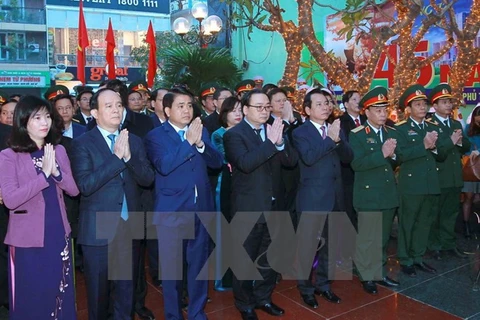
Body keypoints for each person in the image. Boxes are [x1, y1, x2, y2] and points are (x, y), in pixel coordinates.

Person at [70, 88, 154, 320]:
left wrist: (128, 157)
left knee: (126, 293)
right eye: (109, 106)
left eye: (119, 104)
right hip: (99, 229)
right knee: (99, 294)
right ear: (95, 112)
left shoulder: (134, 141)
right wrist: (117, 159)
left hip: (129, 226)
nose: (116, 109)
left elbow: (147, 179)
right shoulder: (82, 144)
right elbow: (85, 185)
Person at [144, 87, 223, 320]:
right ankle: (173, 314)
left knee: (198, 267)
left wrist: (200, 145)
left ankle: (197, 312)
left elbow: (216, 161)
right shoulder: (155, 137)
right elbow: (164, 165)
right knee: (172, 272)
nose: (187, 110)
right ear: (167, 110)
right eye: (180, 106)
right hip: (173, 213)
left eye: (189, 105)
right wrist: (188, 143)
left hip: (202, 210)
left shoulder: (200, 131)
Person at [0, 95, 79, 319]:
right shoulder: (8, 156)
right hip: (27, 239)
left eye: (47, 116)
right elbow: (12, 199)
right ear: (23, 122)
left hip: (57, 232)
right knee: (33, 296)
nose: (45, 122)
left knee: (59, 291)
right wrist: (43, 176)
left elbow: (74, 190)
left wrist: (57, 173)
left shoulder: (58, 151)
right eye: (37, 117)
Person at [224, 89, 298, 320]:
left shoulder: (274, 129)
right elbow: (245, 163)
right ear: (245, 109)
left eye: (267, 107)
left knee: (270, 258)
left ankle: (263, 297)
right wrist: (270, 143)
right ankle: (245, 303)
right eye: (259, 107)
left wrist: (278, 144)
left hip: (275, 206)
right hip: (249, 208)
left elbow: (291, 161)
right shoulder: (234, 135)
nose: (265, 111)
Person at [292, 88, 353, 309]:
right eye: (319, 103)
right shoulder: (301, 133)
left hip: (335, 197)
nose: (326, 106)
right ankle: (306, 289)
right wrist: (331, 139)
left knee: (331, 246)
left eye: (327, 102)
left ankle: (324, 285)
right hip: (312, 199)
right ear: (307, 109)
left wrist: (338, 140)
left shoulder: (335, 128)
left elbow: (348, 158)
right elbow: (308, 158)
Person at [349, 86, 400, 295]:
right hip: (368, 195)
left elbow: (398, 159)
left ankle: (379, 271)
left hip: (388, 194)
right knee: (368, 238)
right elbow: (356, 164)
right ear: (366, 112)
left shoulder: (391, 132)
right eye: (377, 110)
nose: (382, 113)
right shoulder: (358, 135)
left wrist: (394, 156)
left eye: (384, 109)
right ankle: (366, 275)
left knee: (383, 238)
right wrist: (383, 153)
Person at [395, 84, 449, 277]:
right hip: (411, 185)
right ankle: (405, 259)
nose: (423, 108)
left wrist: (434, 148)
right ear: (408, 109)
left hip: (430, 183)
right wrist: (423, 145)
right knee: (407, 223)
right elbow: (399, 155)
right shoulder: (400, 129)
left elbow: (442, 153)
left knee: (424, 223)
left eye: (424, 104)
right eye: (417, 104)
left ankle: (418, 256)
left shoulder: (433, 127)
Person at [427, 83, 470, 259]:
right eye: (443, 102)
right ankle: (435, 245)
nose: (448, 105)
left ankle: (448, 243)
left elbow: (467, 145)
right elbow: (438, 151)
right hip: (439, 177)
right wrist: (452, 141)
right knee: (435, 214)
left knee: (451, 212)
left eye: (449, 102)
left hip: (454, 177)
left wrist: (459, 142)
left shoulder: (455, 123)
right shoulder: (429, 125)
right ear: (435, 106)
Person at [211, 96, 243, 291]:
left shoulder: (249, 132)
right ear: (225, 114)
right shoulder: (218, 134)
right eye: (233, 110)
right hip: (226, 186)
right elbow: (226, 157)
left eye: (241, 109)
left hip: (245, 186)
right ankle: (226, 279)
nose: (238, 114)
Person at [339, 90, 366, 229]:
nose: (358, 103)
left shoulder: (367, 120)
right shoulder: (341, 122)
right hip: (349, 172)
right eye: (354, 99)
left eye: (360, 99)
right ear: (346, 104)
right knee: (349, 205)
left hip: (366, 170)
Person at [461, 104, 480, 239]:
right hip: (471, 168)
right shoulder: (468, 129)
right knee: (468, 197)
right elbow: (464, 147)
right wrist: (471, 152)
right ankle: (466, 225)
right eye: (478, 115)